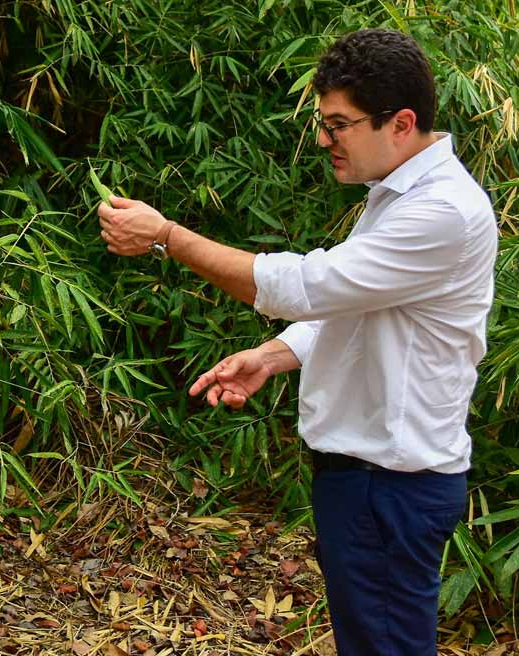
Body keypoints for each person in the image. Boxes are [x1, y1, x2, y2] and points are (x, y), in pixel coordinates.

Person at [98, 29, 496, 655]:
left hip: (388, 482)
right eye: (323, 121)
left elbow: (308, 286)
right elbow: (352, 303)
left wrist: (167, 236)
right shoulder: (398, 195)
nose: (323, 139)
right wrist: (274, 356)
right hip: (370, 481)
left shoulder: (442, 211)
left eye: (339, 125)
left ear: (401, 123)